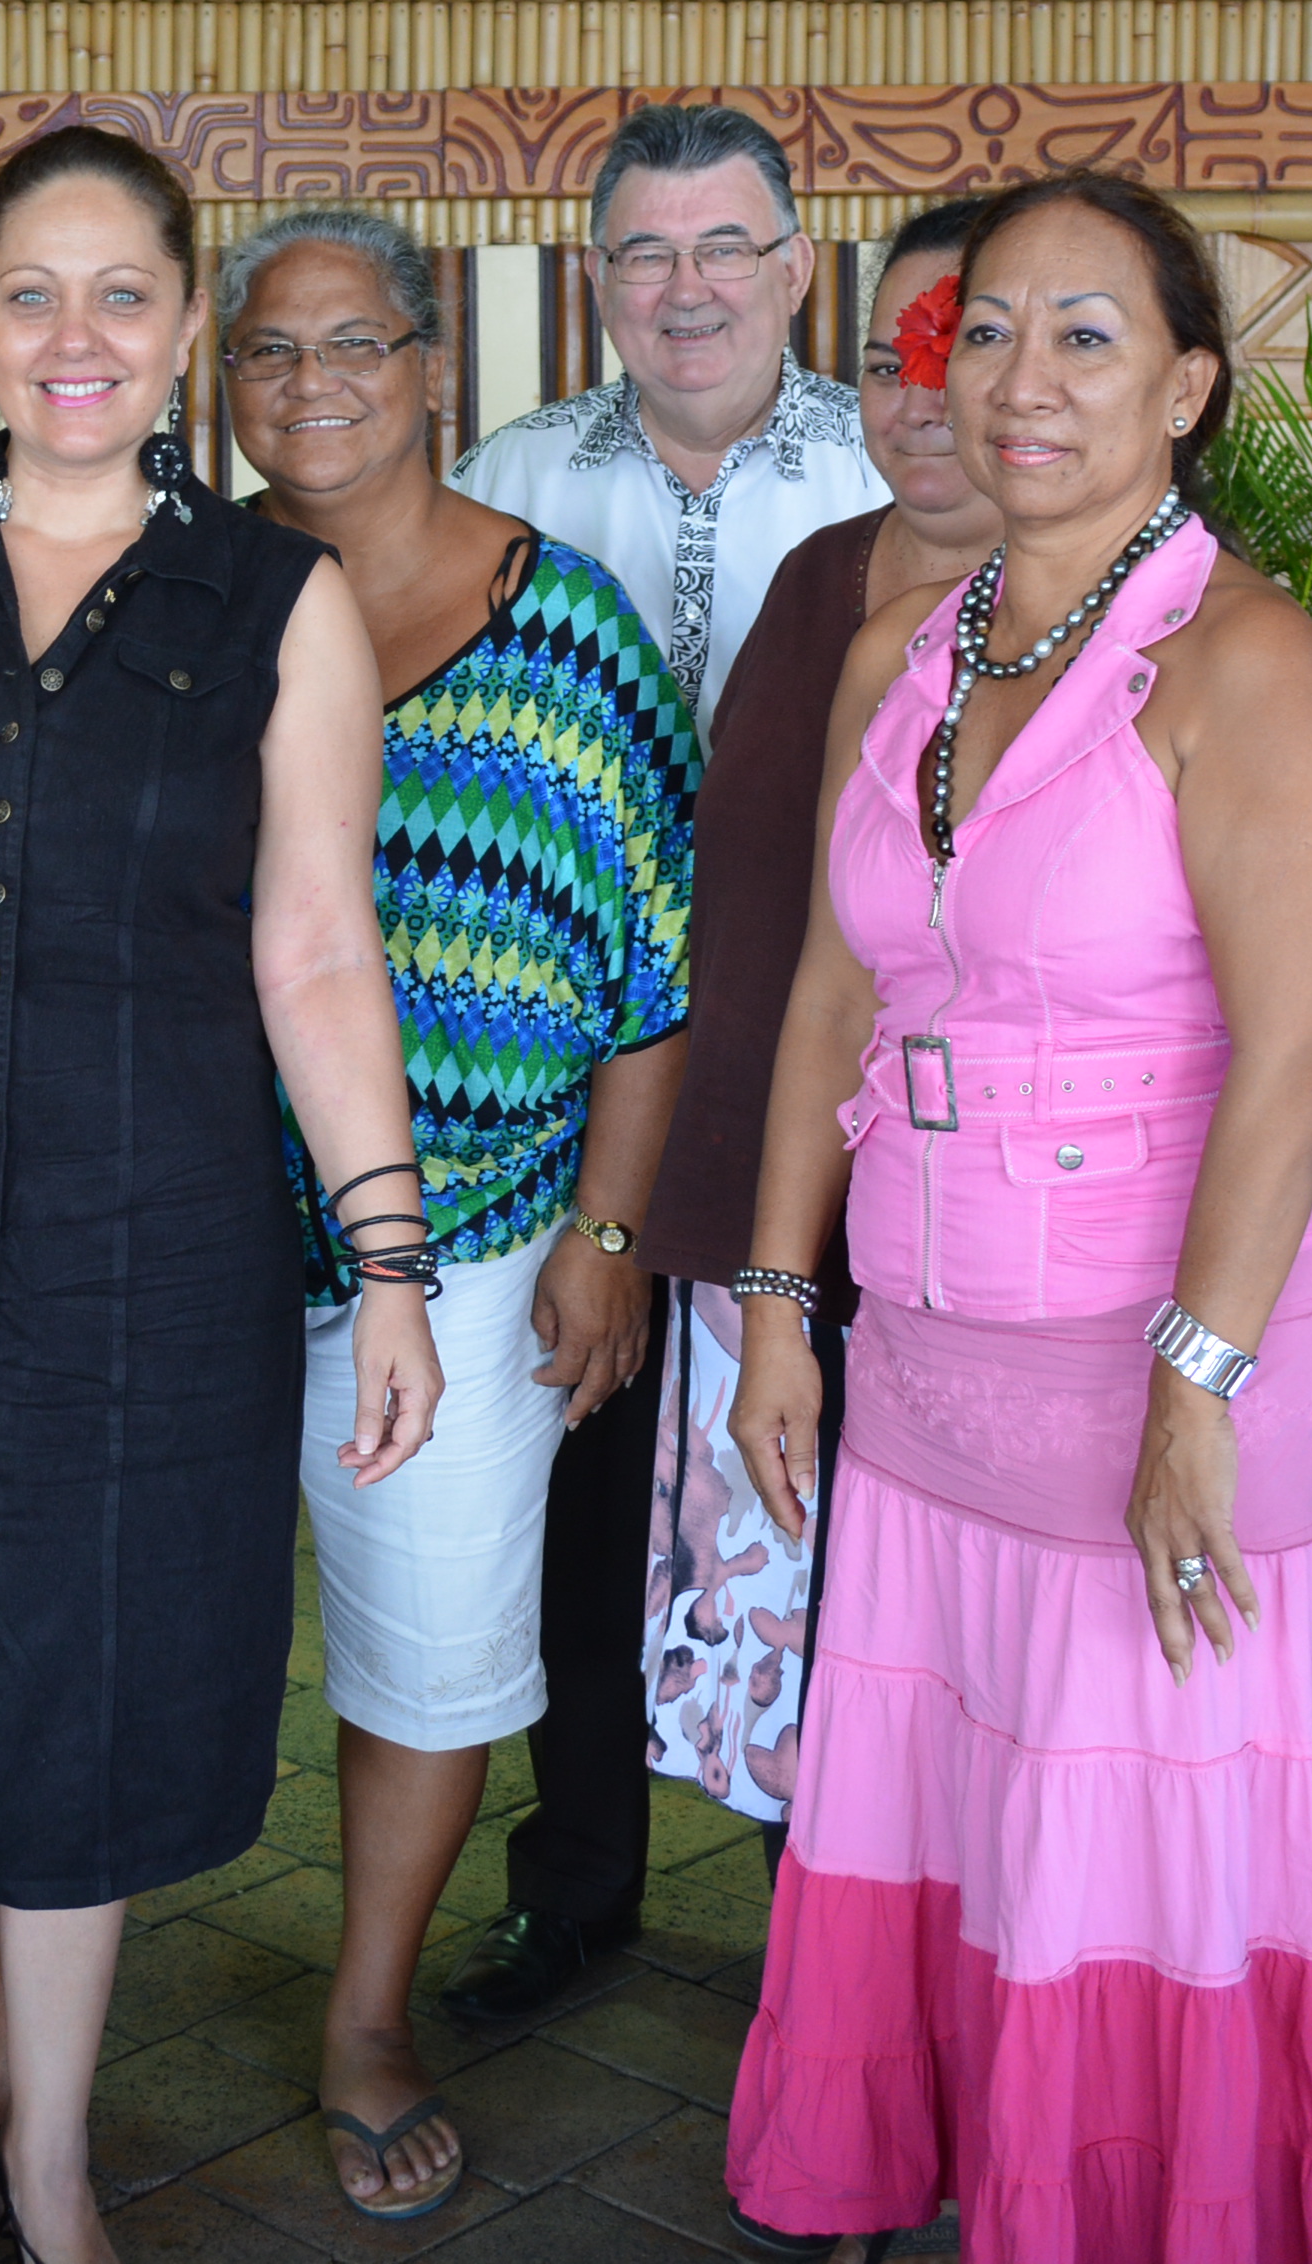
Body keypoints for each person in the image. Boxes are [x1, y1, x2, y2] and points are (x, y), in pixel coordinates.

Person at [0, 126, 446, 2264]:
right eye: (31, 292)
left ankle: (47, 2153)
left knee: (80, 1680)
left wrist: (384, 1259)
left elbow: (314, 950)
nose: (75, 337)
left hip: (148, 1232)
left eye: (121, 294)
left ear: (184, 325)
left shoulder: (273, 604)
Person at [724, 170, 1312, 2260]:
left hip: (1158, 1389)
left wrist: (1195, 1386)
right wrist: (769, 1301)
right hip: (931, 1373)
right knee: (981, 1841)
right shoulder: (903, 653)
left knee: (1132, 1874)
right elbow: (838, 985)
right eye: (984, 331)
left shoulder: (1240, 658)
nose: (1020, 380)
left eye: (1087, 336)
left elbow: (1297, 1056)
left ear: (1188, 385)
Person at [219, 204, 698, 2223]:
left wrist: (606, 1229)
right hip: (197, 1225)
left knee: (426, 1651)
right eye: (267, 352)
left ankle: (361, 2013)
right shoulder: (188, 607)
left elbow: (660, 963)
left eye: (354, 344)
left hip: (487, 1231)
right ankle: (15, 2031)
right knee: (124, 1627)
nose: (311, 383)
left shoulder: (564, 624)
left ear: (432, 372)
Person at [441, 98, 888, 2025]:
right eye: (644, 253)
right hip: (583, 1085)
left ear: (799, 264)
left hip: (835, 1052)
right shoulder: (508, 481)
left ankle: (836, 1892)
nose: (687, 287)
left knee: (834, 1492)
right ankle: (578, 1885)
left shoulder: (906, 470)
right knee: (581, 1476)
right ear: (594, 277)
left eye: (726, 248)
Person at [639, 198, 996, 1838]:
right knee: (793, 1686)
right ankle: (823, 2023)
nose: (921, 398)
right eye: (887, 362)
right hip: (774, 1212)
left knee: (970, 1687)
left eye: (964, 347)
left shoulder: (1162, 622)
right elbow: (756, 923)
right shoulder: (820, 584)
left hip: (993, 1249)